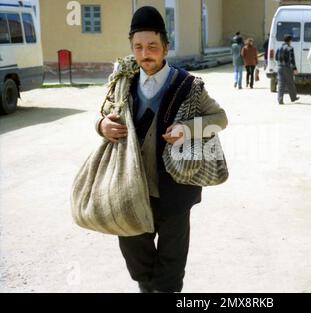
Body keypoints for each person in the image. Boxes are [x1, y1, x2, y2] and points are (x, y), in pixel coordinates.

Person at [95, 6, 228, 293]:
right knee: (137, 260)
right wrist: (102, 126)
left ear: (166, 47)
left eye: (153, 46)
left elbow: (220, 119)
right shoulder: (123, 83)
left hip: (176, 192)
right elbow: (104, 115)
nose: (146, 54)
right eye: (138, 47)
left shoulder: (188, 85)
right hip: (131, 190)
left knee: (171, 267)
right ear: (132, 48)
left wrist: (187, 129)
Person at [275, 34, 299, 104]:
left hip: (279, 67)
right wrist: (294, 68)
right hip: (287, 68)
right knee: (290, 83)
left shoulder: (279, 48)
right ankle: (293, 97)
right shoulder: (290, 48)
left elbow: (276, 58)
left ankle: (280, 99)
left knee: (281, 83)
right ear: (290, 40)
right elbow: (292, 60)